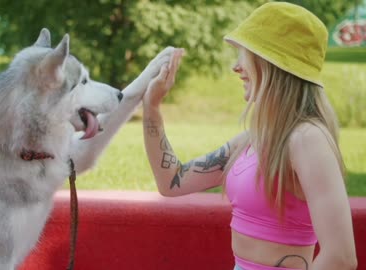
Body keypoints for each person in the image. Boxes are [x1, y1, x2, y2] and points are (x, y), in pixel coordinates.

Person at [141, 2, 357, 270]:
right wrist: (151, 108)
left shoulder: (307, 139)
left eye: (244, 55)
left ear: (270, 62)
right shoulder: (251, 140)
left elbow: (341, 256)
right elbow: (172, 182)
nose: (236, 67)